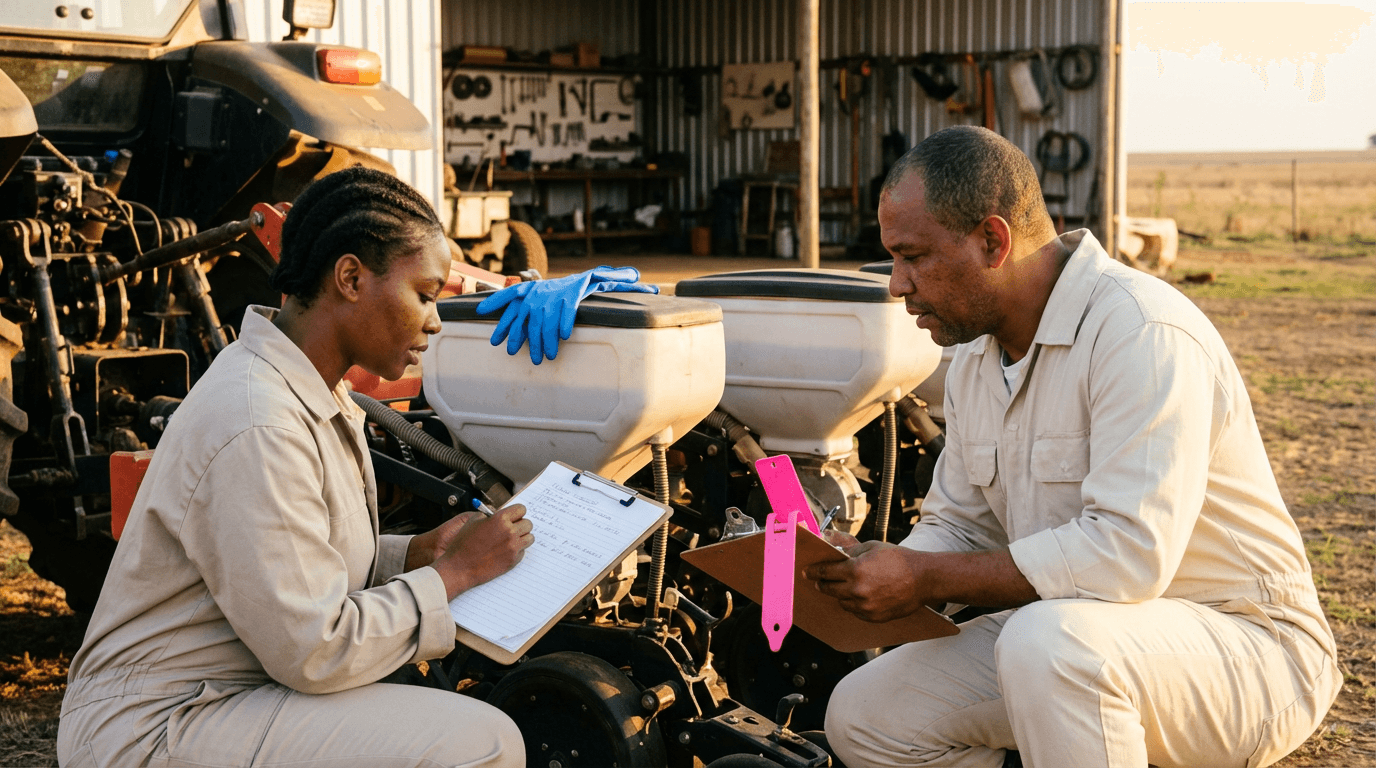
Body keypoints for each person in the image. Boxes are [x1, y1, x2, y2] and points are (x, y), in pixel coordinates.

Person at [810, 127, 1339, 768]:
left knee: (1049, 644)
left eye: (913, 256)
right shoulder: (977, 357)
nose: (896, 285)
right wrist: (881, 569)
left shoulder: (1140, 331)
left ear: (993, 241)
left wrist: (923, 576)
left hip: (1243, 650)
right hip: (1078, 640)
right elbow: (959, 524)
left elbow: (1127, 557)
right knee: (864, 715)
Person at [57, 166, 533, 768]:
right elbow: (317, 649)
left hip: (222, 696)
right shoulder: (259, 420)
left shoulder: (307, 388)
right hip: (157, 729)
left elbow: (294, 561)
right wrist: (454, 575)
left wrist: (412, 556)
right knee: (482, 744)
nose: (435, 320)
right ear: (351, 278)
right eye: (425, 295)